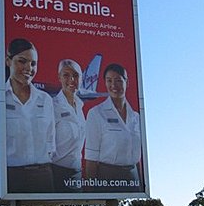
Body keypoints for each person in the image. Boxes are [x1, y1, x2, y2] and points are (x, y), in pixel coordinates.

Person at [5, 38, 55, 193]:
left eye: (33, 63)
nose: (28, 68)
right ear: (8, 61)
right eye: (22, 61)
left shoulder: (45, 100)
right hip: (11, 176)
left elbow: (51, 139)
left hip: (43, 175)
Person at [85, 63, 142, 191]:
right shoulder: (96, 113)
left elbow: (137, 158)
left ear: (127, 82)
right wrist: (90, 193)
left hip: (132, 180)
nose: (113, 85)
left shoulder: (136, 117)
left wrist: (142, 185)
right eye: (109, 80)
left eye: (118, 80)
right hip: (107, 178)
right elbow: (91, 159)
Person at [52, 59, 86, 192]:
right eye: (66, 75)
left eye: (76, 75)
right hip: (57, 173)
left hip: (77, 173)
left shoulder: (79, 105)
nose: (71, 79)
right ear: (59, 77)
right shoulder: (53, 107)